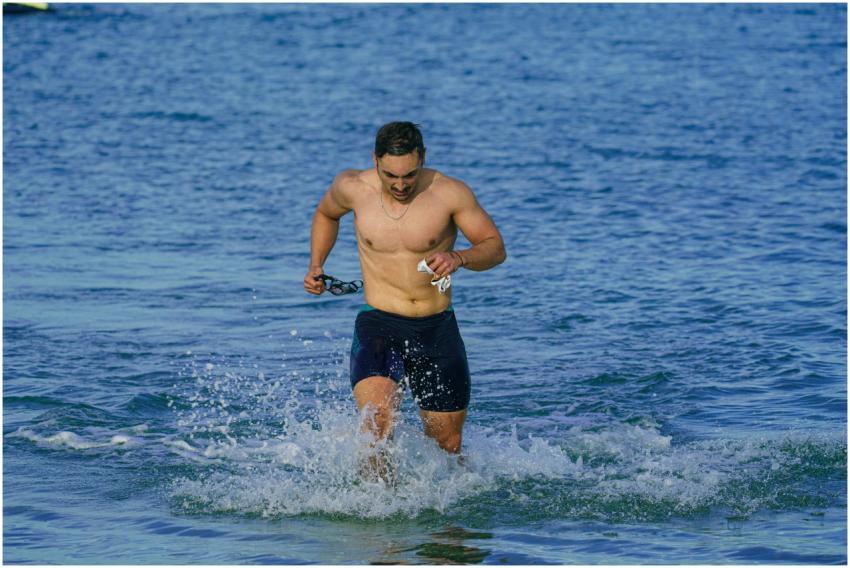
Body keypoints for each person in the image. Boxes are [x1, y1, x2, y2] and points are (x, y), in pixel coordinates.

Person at [303, 122, 506, 478]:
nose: (400, 184)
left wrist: (460, 258)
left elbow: (494, 248)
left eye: (409, 175)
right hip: (379, 321)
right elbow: (326, 213)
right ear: (375, 160)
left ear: (423, 160)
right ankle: (378, 521)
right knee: (376, 427)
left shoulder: (450, 193)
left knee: (447, 446)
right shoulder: (352, 187)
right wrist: (317, 264)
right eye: (390, 175)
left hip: (436, 326)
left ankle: (450, 526)